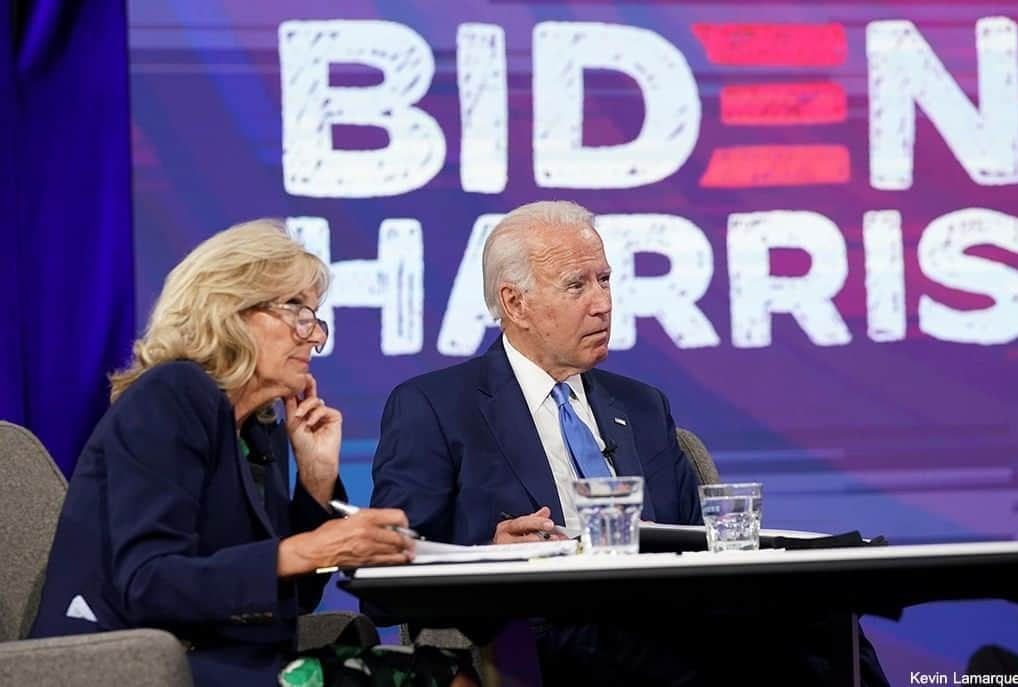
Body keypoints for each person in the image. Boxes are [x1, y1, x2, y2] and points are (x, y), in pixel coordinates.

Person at [371, 201, 891, 686]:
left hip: (673, 614)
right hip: (548, 630)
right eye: (576, 286)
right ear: (516, 303)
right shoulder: (435, 407)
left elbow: (696, 541)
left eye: (605, 280)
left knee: (823, 618)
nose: (602, 303)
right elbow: (385, 580)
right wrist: (488, 558)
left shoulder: (642, 407)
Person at [29, 220, 472, 687]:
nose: (315, 336)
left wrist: (317, 480)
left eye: (316, 316)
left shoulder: (257, 430)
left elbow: (291, 598)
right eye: (296, 311)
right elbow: (148, 585)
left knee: (445, 671)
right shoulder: (171, 396)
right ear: (228, 311)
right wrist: (308, 548)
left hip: (229, 659)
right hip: (129, 665)